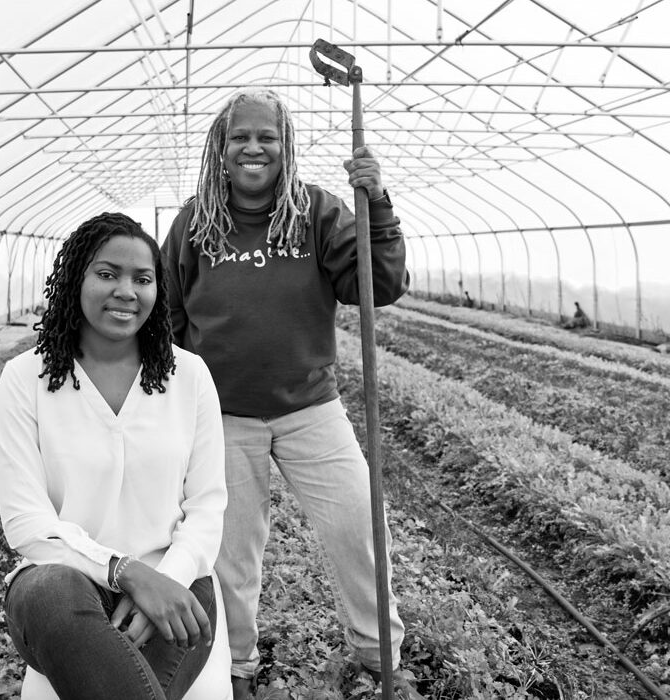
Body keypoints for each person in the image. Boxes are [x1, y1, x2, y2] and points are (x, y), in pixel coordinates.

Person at [160, 90, 424, 700]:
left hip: (311, 408)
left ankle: (378, 655)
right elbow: (169, 314)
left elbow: (378, 284)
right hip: (223, 417)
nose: (254, 148)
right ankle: (236, 666)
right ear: (219, 151)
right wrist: (178, 397)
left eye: (267, 137)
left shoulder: (317, 212)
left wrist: (377, 200)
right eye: (240, 138)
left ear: (287, 147)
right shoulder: (196, 222)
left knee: (359, 525)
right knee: (228, 551)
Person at [0, 212, 228, 700]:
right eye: (107, 274)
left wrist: (164, 582)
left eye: (143, 279)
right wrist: (126, 573)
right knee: (53, 593)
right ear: (75, 281)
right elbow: (26, 522)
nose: (127, 291)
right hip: (65, 585)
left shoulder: (189, 376)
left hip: (176, 579)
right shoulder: (25, 379)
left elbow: (207, 506)